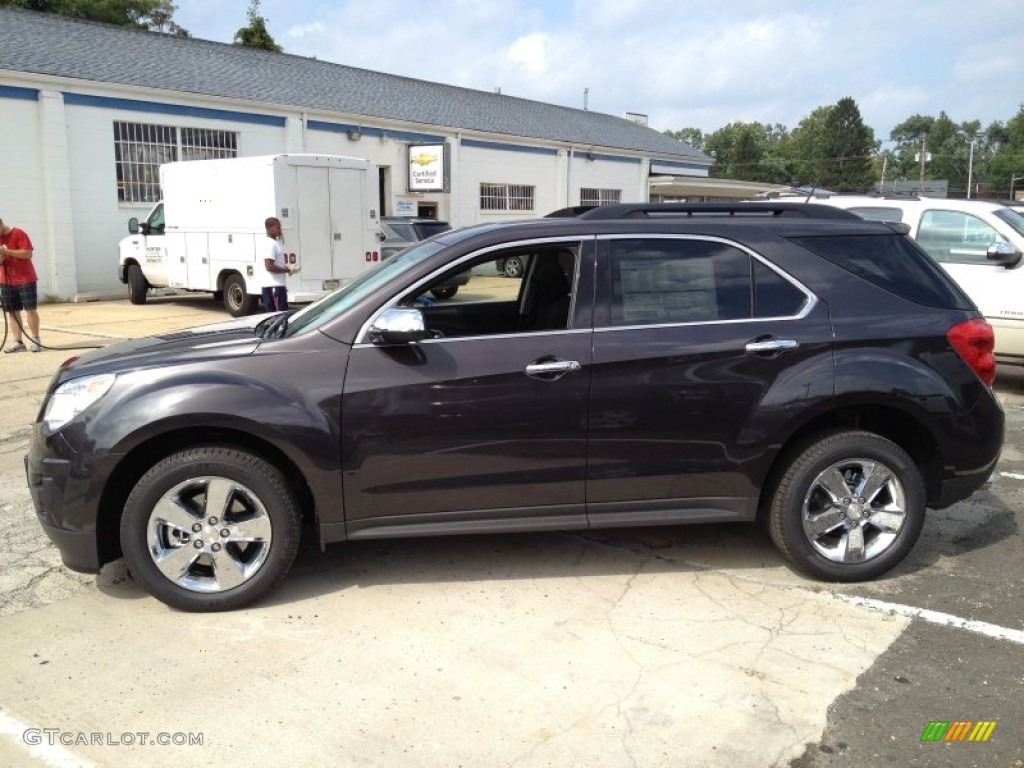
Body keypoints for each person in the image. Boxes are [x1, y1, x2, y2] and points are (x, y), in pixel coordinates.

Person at [0, 217, 42, 353]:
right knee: (12, 311)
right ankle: (18, 342)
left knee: (30, 309)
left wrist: (6, 252)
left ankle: (36, 339)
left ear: (1, 224)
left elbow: (28, 253)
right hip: (6, 280)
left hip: (25, 279)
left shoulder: (18, 233)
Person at [261, 216, 293, 312]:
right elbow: (269, 266)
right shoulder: (271, 244)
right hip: (274, 287)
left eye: (280, 227)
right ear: (269, 228)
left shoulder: (273, 243)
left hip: (277, 286)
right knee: (278, 317)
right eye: (277, 227)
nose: (280, 230)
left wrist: (286, 268)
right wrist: (287, 270)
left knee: (280, 316)